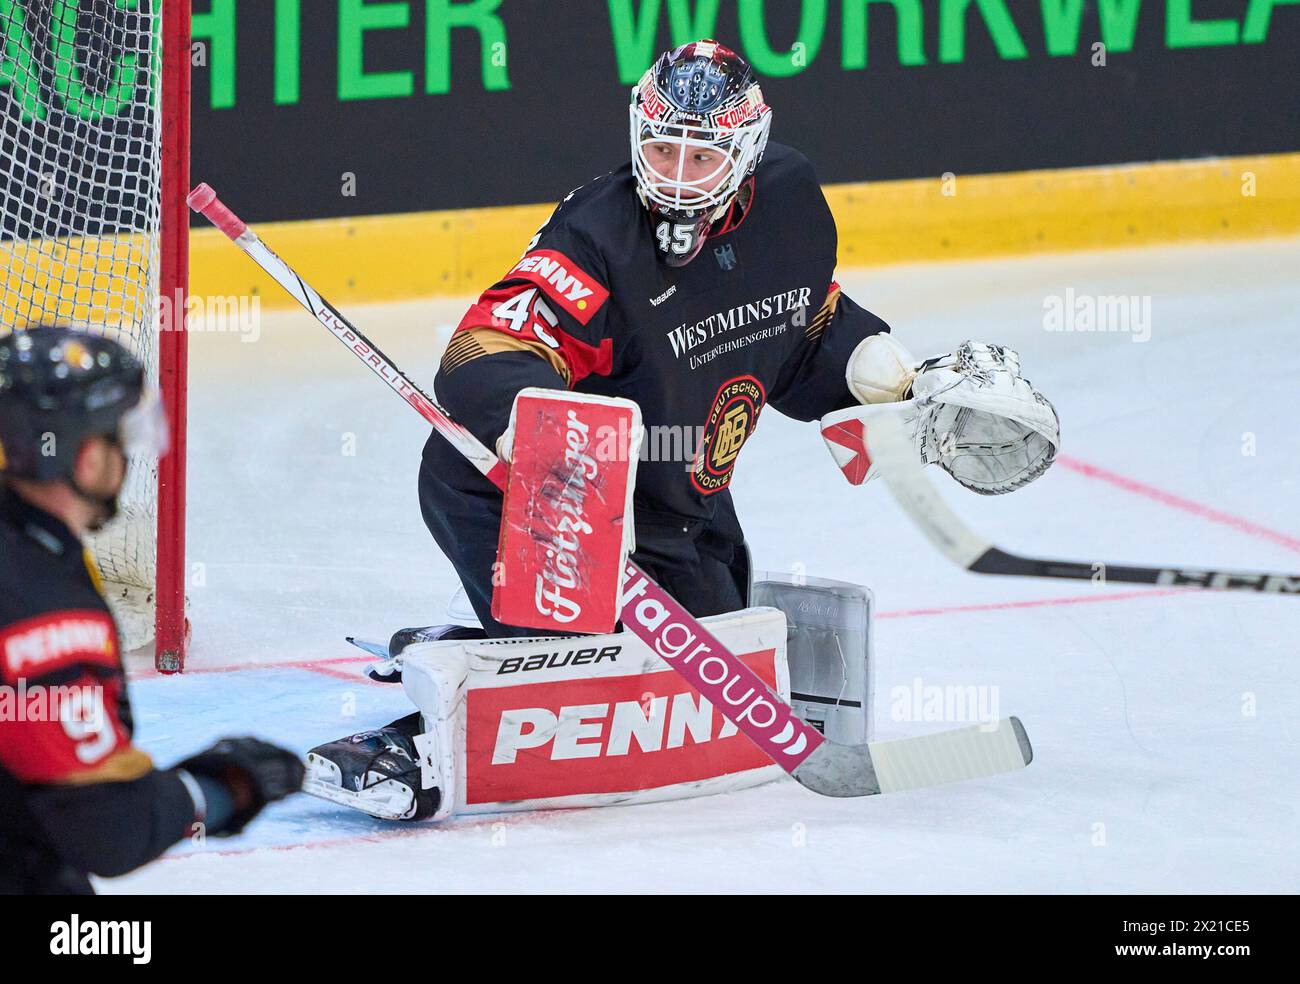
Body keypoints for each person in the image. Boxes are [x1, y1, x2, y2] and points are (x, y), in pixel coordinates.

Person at [305, 40, 1058, 820]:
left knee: (701, 657)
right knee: (587, 682)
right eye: (661, 148)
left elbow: (799, 339)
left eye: (701, 158)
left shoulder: (792, 201)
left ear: (749, 149)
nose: (673, 174)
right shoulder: (600, 236)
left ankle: (477, 646)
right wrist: (537, 426)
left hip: (677, 504)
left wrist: (896, 379)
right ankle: (425, 736)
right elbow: (482, 349)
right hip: (542, 496)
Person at [0, 326, 303, 894]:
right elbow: (103, 830)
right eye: (118, 438)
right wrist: (222, 788)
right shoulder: (46, 614)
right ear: (87, 460)